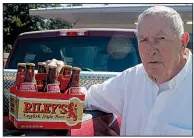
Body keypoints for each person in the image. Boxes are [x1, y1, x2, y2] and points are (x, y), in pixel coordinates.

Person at [83, 6, 192, 136]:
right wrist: (59, 75)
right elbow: (87, 98)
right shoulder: (131, 79)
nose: (150, 50)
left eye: (160, 39)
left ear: (183, 42)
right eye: (144, 40)